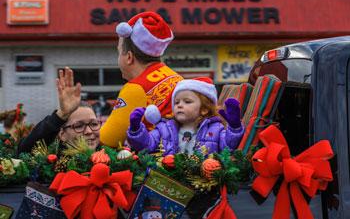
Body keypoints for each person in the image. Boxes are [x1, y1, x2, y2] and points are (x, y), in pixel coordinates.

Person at [100, 11, 183, 148]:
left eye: (119, 51)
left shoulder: (136, 88)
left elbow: (107, 140)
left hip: (160, 165)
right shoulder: (176, 77)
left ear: (129, 57)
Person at [127, 77, 245, 156]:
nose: (179, 105)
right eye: (177, 102)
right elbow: (146, 145)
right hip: (168, 181)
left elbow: (228, 148)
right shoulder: (164, 128)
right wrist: (136, 129)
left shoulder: (215, 129)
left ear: (204, 109)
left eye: (187, 101)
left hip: (203, 185)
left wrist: (234, 127)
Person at [18, 67, 100, 154]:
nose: (89, 131)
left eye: (94, 124)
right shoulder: (51, 163)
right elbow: (24, 150)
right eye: (79, 126)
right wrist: (62, 114)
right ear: (62, 134)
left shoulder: (112, 157)